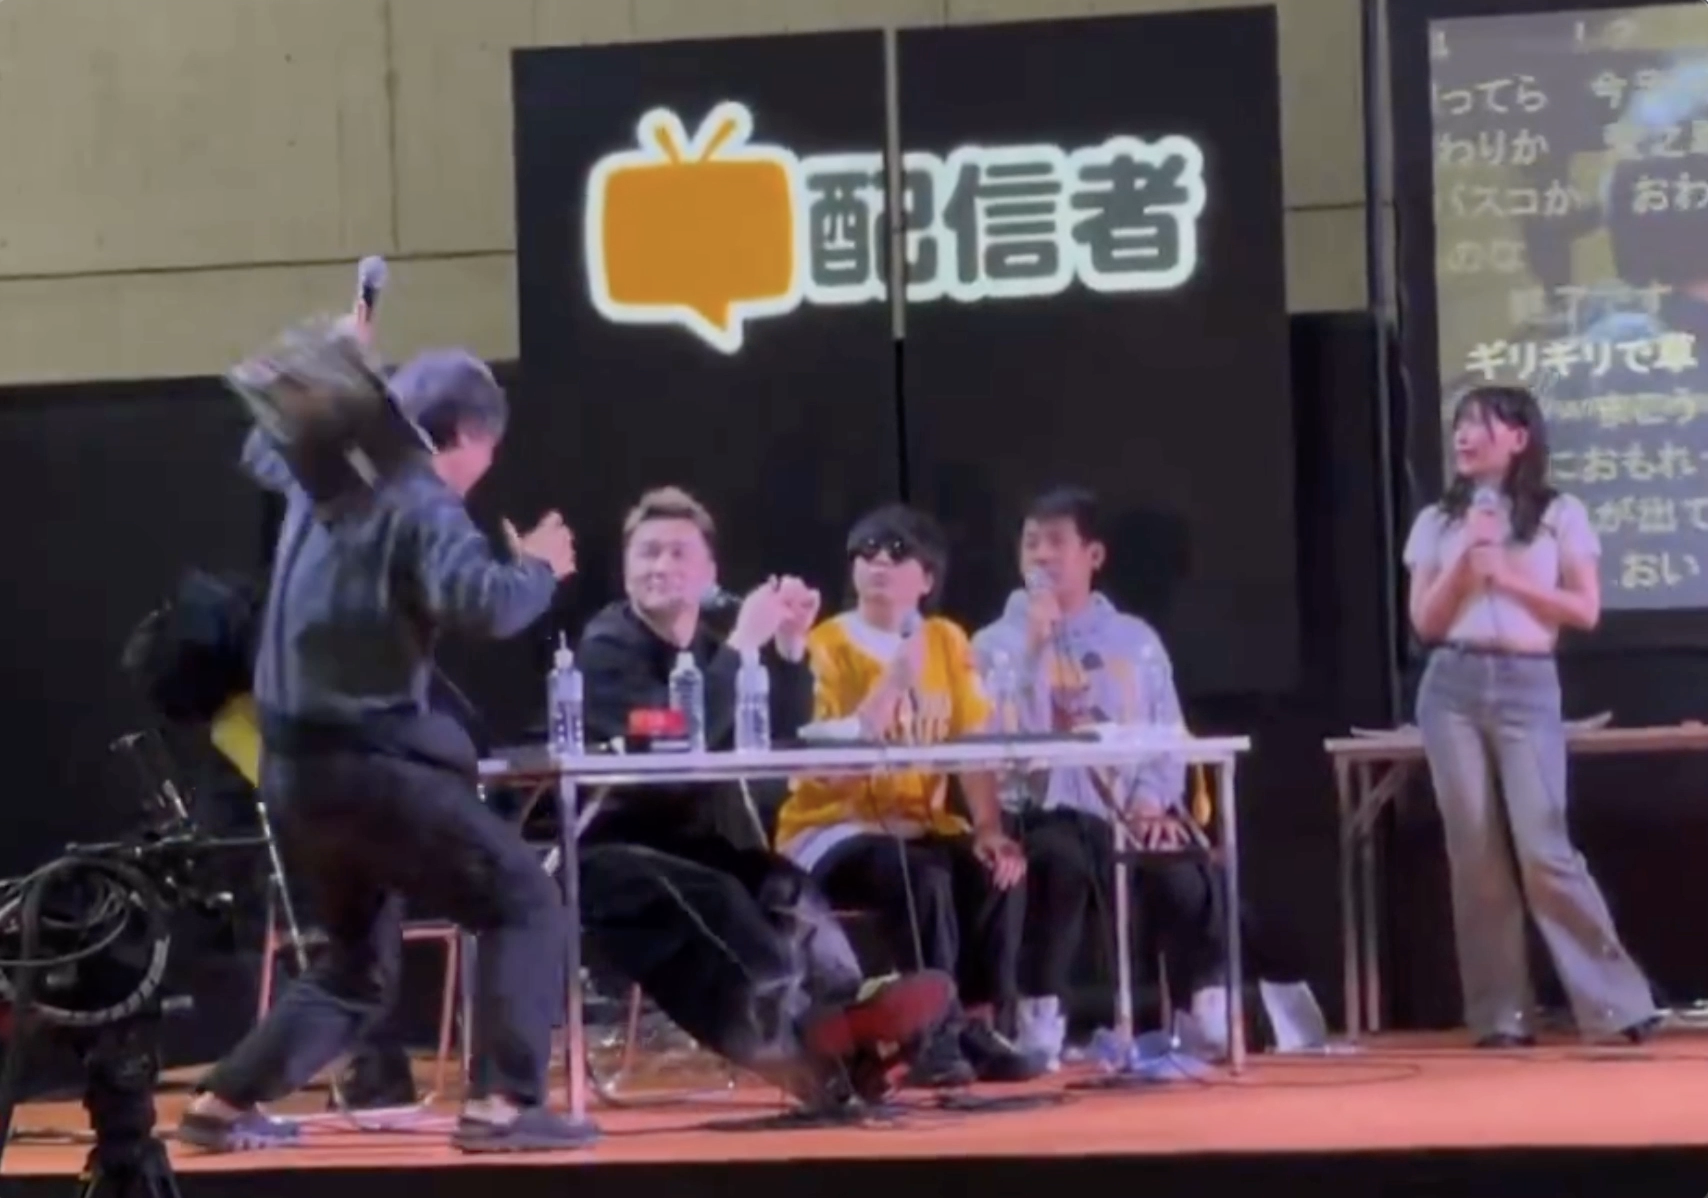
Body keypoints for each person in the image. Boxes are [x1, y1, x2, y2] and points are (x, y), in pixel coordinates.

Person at [178, 344, 591, 1154]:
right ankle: (503, 1106)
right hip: (370, 768)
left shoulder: (325, 481)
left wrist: (340, 371)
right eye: (485, 455)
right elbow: (487, 604)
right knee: (523, 903)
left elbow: (262, 444)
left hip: (294, 774)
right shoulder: (418, 497)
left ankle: (221, 1106)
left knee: (355, 968)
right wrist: (538, 566)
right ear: (465, 436)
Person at [574, 487, 954, 1107]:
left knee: (785, 886)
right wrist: (743, 646)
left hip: (692, 844)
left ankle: (851, 1017)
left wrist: (790, 649)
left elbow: (781, 739)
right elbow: (675, 743)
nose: (660, 566)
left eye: (677, 553)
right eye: (647, 553)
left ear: (709, 574)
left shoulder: (708, 649)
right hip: (610, 851)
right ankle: (803, 1050)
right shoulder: (607, 646)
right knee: (719, 901)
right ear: (625, 568)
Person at [972, 487, 1326, 1069]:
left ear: (1093, 555)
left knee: (1186, 872)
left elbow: (1167, 738)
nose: (1041, 556)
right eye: (1031, 543)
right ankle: (1040, 1020)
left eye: (1056, 542)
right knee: (1059, 863)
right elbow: (1000, 740)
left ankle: (1203, 1010)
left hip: (1124, 812)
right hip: (1038, 813)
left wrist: (1150, 806)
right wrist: (1034, 652)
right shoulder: (994, 645)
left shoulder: (1135, 642)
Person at [1404, 383, 1658, 1048]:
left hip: (1527, 684)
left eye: (1480, 424)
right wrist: (1467, 562)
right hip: (1451, 687)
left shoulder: (1559, 514)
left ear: (1519, 438)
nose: (1463, 436)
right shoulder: (1436, 521)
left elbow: (1585, 610)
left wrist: (1507, 576)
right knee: (1475, 854)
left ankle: (1615, 1004)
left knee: (1545, 849)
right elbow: (1425, 622)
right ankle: (1500, 1016)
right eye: (1459, 425)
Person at [773, 504, 1043, 1086]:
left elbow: (971, 742)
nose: (877, 562)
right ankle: (930, 1034)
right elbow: (827, 766)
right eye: (866, 551)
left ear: (926, 577)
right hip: (833, 829)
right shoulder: (825, 645)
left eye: (896, 553)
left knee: (995, 867)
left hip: (919, 825)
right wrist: (894, 681)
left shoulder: (945, 640)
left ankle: (980, 1023)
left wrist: (989, 828)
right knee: (923, 877)